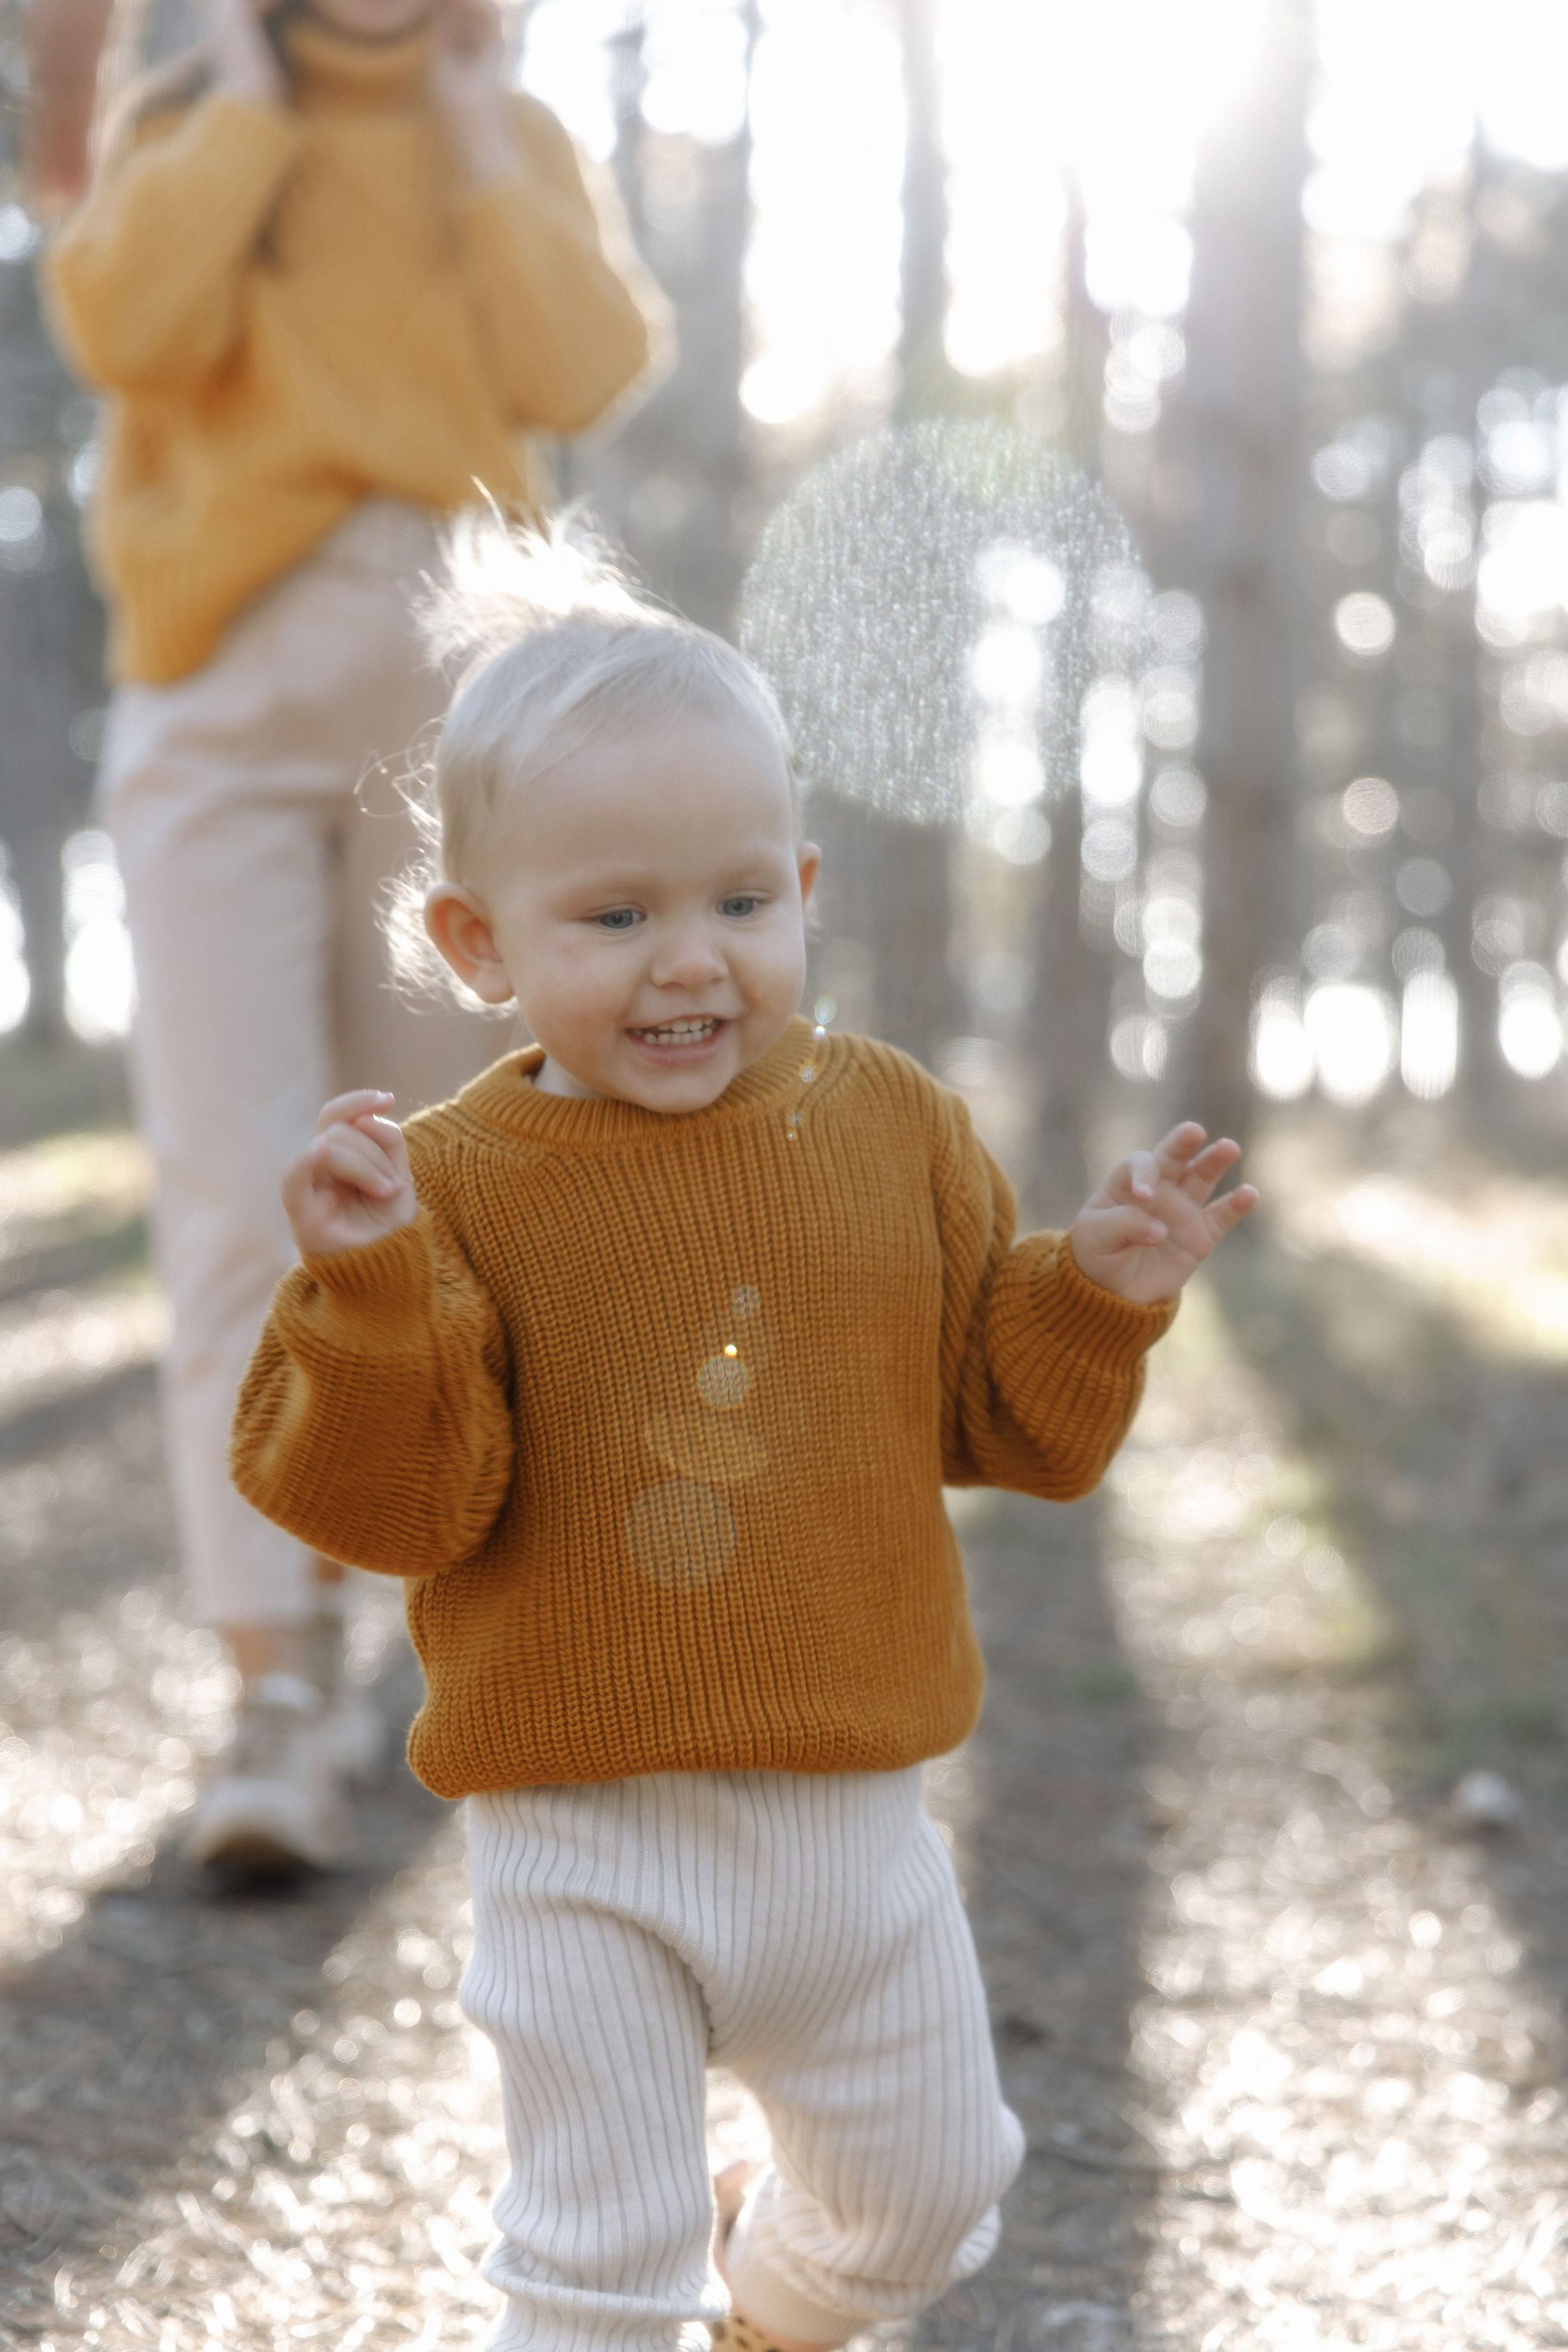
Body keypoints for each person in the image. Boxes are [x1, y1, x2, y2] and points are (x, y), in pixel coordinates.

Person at [228, 522, 1258, 2352]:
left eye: (736, 904)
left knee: (929, 2202)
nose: (686, 962)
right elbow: (397, 1496)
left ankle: (765, 2319)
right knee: (595, 2269)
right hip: (581, 1830)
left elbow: (992, 1412)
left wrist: (1095, 1288)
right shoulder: (453, 1188)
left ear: (799, 887)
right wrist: (371, 1292)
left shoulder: (887, 1125)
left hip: (854, 1827)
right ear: (479, 942)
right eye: (612, 917)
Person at [42, 0, 656, 1875]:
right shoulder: (181, 117)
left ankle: (460, 1628)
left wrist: (477, 139)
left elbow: (585, 364)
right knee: (236, 1188)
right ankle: (274, 1685)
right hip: (216, 686)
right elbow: (126, 331)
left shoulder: (511, 129)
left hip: (459, 682)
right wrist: (237, 99)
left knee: (447, 1192)